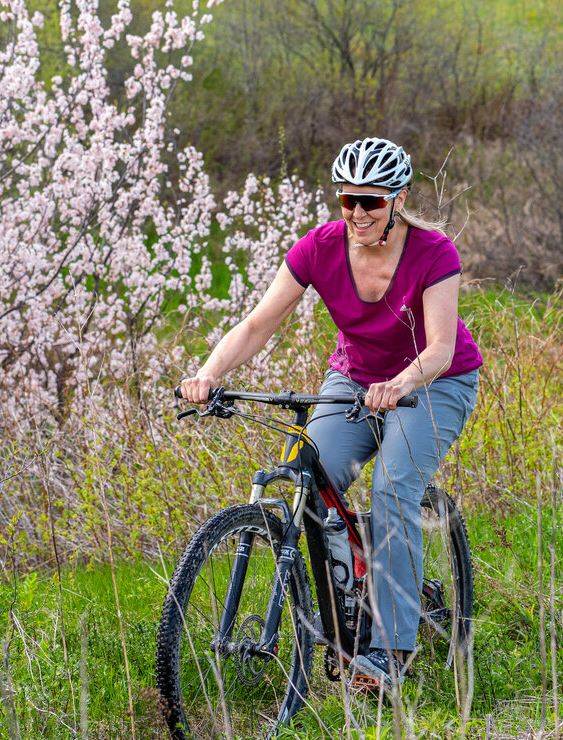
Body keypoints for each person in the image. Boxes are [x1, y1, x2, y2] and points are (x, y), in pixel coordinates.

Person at [179, 137, 483, 691]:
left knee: (392, 486)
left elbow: (440, 347)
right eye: (348, 200)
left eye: (372, 201)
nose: (358, 212)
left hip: (434, 381)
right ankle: (349, 604)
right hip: (354, 379)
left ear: (398, 200)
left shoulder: (433, 252)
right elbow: (257, 324)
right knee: (307, 474)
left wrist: (400, 383)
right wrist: (209, 373)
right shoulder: (318, 248)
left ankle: (390, 650)